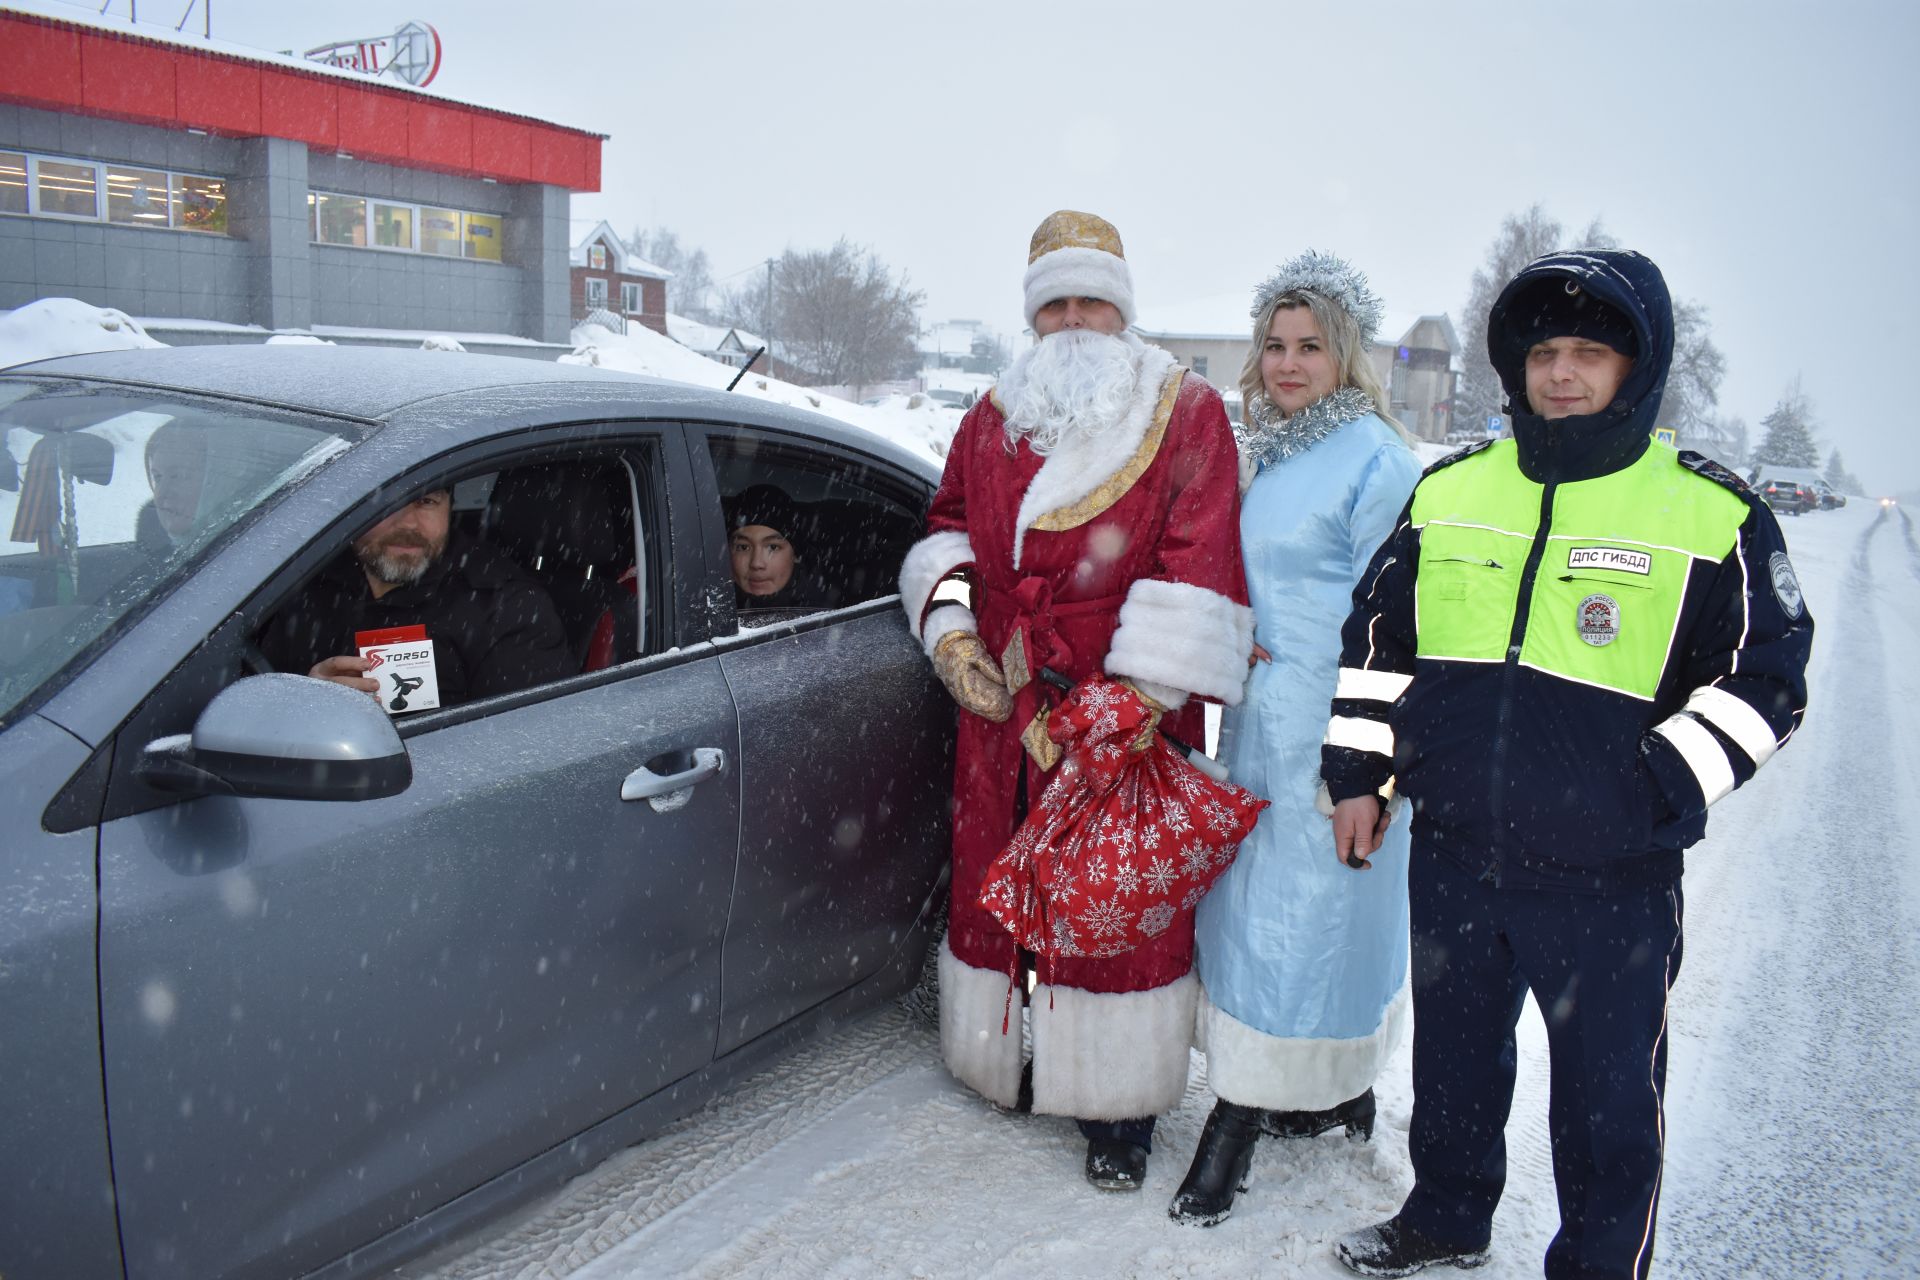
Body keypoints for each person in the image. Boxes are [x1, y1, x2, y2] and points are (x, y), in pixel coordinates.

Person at [1322, 249, 1813, 1278]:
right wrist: (1359, 777)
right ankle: (1448, 1217)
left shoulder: (1711, 515)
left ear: (1636, 368)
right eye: (1545, 350)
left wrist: (1650, 788)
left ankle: (1597, 1264)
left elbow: (1769, 680)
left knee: (1607, 1102)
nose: (1561, 372)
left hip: (1610, 879)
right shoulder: (1450, 492)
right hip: (1457, 851)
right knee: (1453, 1067)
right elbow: (1375, 641)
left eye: (1589, 351)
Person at [897, 210, 1253, 1191]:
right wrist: (956, 631)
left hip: (1121, 700)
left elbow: (1201, 563)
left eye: (1091, 298)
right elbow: (949, 531)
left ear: (1123, 305)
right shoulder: (993, 411)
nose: (1073, 319)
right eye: (1053, 302)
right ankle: (1008, 1053)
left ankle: (1119, 1103)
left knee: (1110, 895)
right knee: (1003, 876)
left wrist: (1126, 703)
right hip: (1003, 702)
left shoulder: (1184, 412)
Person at [1171, 252, 1422, 1226]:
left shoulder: (1380, 460)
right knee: (1251, 902)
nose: (1286, 361)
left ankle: (1244, 1108)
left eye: (1310, 344)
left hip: (1338, 724)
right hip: (1263, 715)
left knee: (1315, 906)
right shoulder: (1268, 447)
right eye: (1274, 343)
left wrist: (1366, 749)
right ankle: (1323, 1089)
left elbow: (1399, 615)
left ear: (1345, 352)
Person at [258, 487, 573, 709]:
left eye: (426, 501)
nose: (408, 523)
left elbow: (518, 751)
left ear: (449, 507)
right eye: (391, 501)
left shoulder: (507, 606)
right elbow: (247, 695)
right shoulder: (301, 576)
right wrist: (304, 702)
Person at [725, 483, 812, 612]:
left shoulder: (830, 615)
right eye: (743, 547)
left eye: (773, 547)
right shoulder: (706, 607)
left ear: (795, 554)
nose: (756, 563)